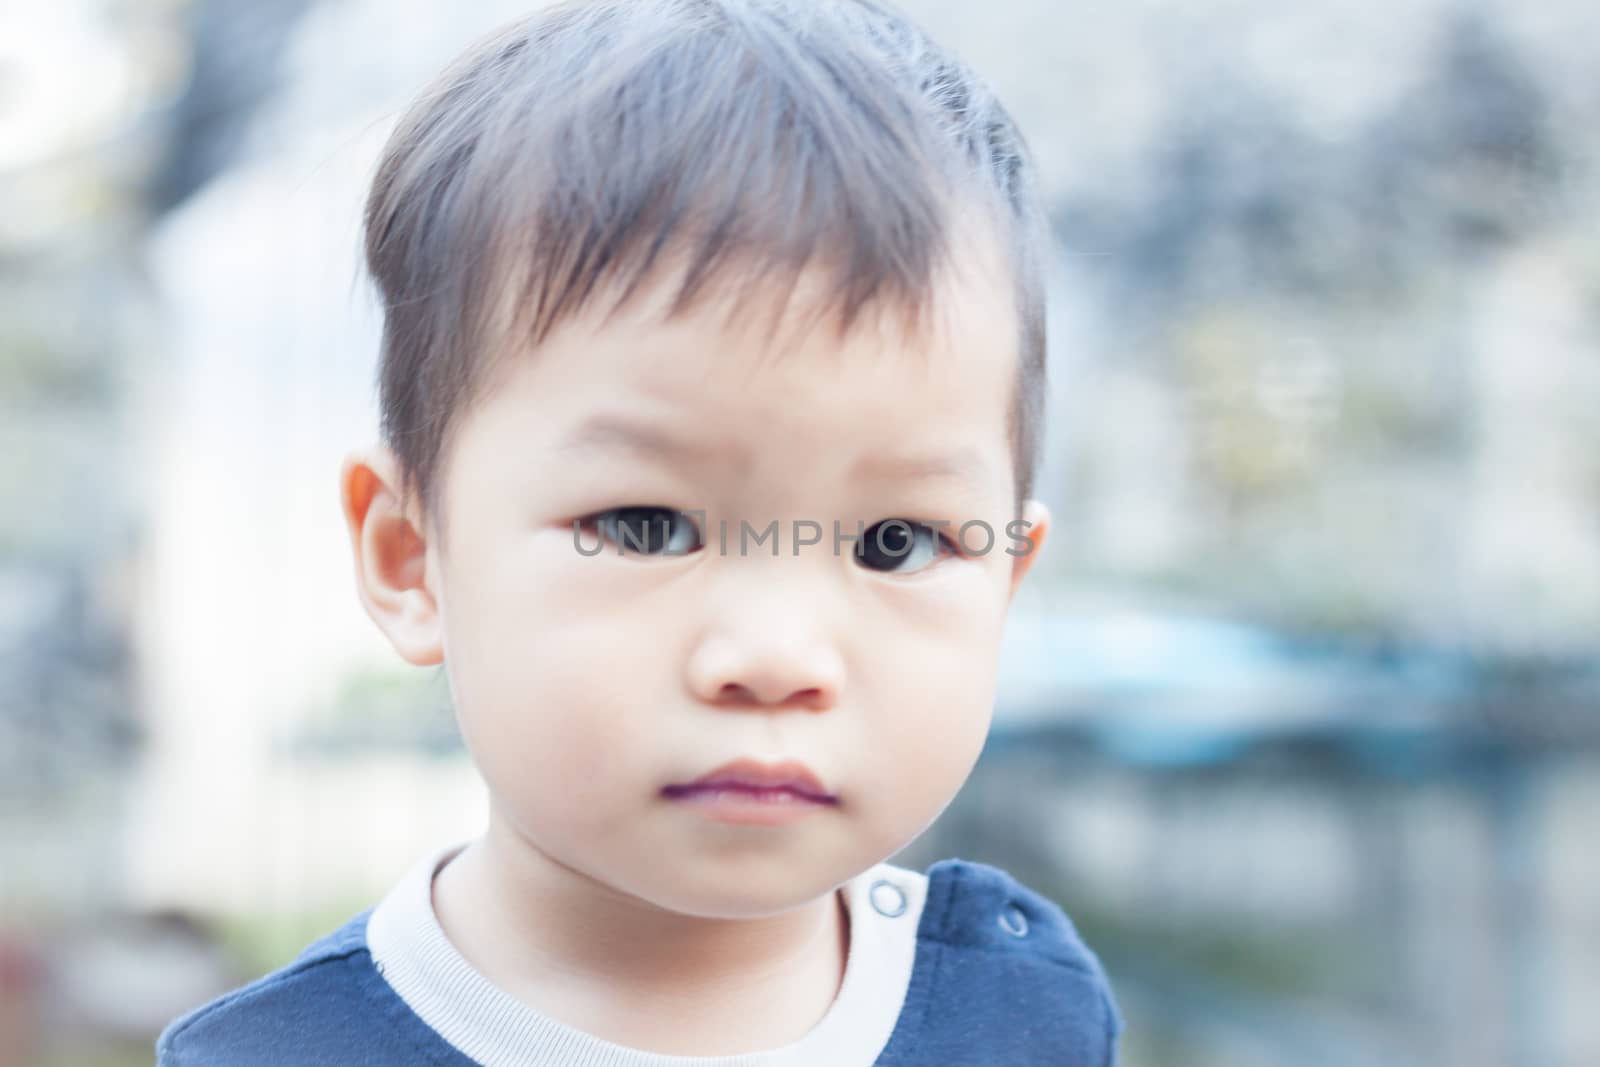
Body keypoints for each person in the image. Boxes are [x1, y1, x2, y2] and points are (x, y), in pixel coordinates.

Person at [155, 0, 1124, 1063]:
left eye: (894, 541)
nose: (773, 656)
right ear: (411, 556)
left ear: (1007, 579)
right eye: (646, 524)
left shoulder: (1021, 1011)